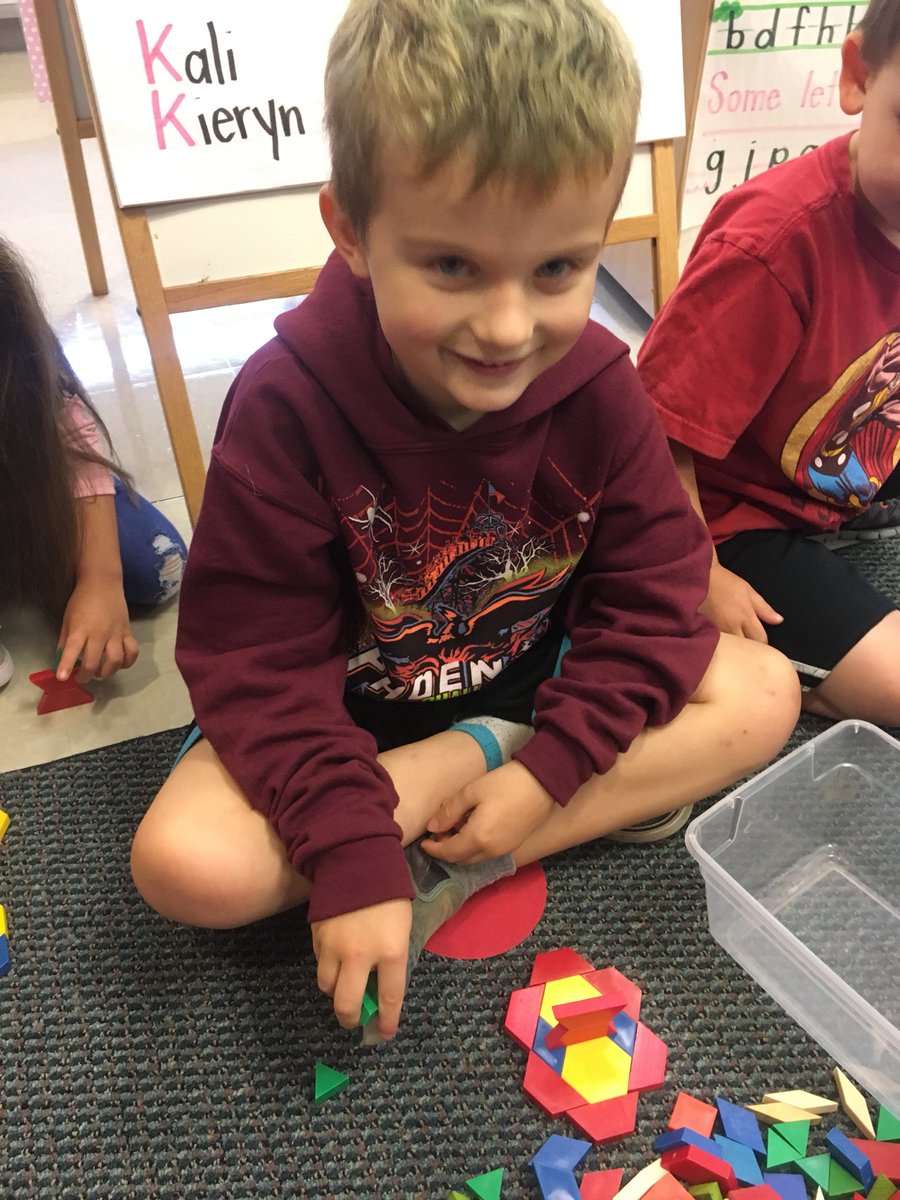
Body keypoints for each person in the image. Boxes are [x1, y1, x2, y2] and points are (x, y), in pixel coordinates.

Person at [131, 0, 799, 1042]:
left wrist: (548, 771)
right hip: (350, 715)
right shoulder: (285, 403)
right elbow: (256, 665)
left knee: (766, 695)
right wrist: (349, 840)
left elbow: (653, 599)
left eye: (557, 269)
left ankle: (485, 812)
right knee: (185, 865)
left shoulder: (602, 389)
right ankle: (452, 795)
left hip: (533, 688)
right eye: (451, 266)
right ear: (351, 231)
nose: (506, 326)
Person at [638, 0, 900, 723]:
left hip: (842, 458)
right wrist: (700, 574)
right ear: (859, 77)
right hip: (730, 515)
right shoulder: (772, 247)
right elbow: (650, 434)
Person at [0, 237, 187, 689]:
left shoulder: (20, 350)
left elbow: (71, 437)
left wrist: (100, 580)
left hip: (27, 474)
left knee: (159, 566)